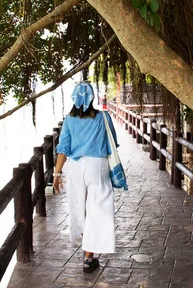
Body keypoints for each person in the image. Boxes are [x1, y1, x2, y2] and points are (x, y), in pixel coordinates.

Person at [53, 81, 119, 273]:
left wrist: (57, 173)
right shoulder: (103, 117)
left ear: (74, 98)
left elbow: (63, 148)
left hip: (74, 167)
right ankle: (89, 257)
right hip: (97, 165)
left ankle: (88, 248)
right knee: (98, 208)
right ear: (92, 98)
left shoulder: (69, 120)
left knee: (79, 207)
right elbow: (112, 142)